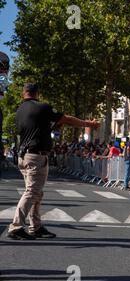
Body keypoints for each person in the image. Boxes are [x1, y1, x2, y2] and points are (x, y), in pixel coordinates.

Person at [7, 83, 99, 240]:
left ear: (24, 93)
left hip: (24, 156)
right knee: (32, 192)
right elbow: (66, 118)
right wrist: (88, 124)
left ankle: (35, 227)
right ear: (37, 93)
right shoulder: (42, 107)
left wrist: (54, 126)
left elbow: (37, 129)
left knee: (36, 192)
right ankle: (16, 227)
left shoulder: (19, 111)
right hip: (36, 156)